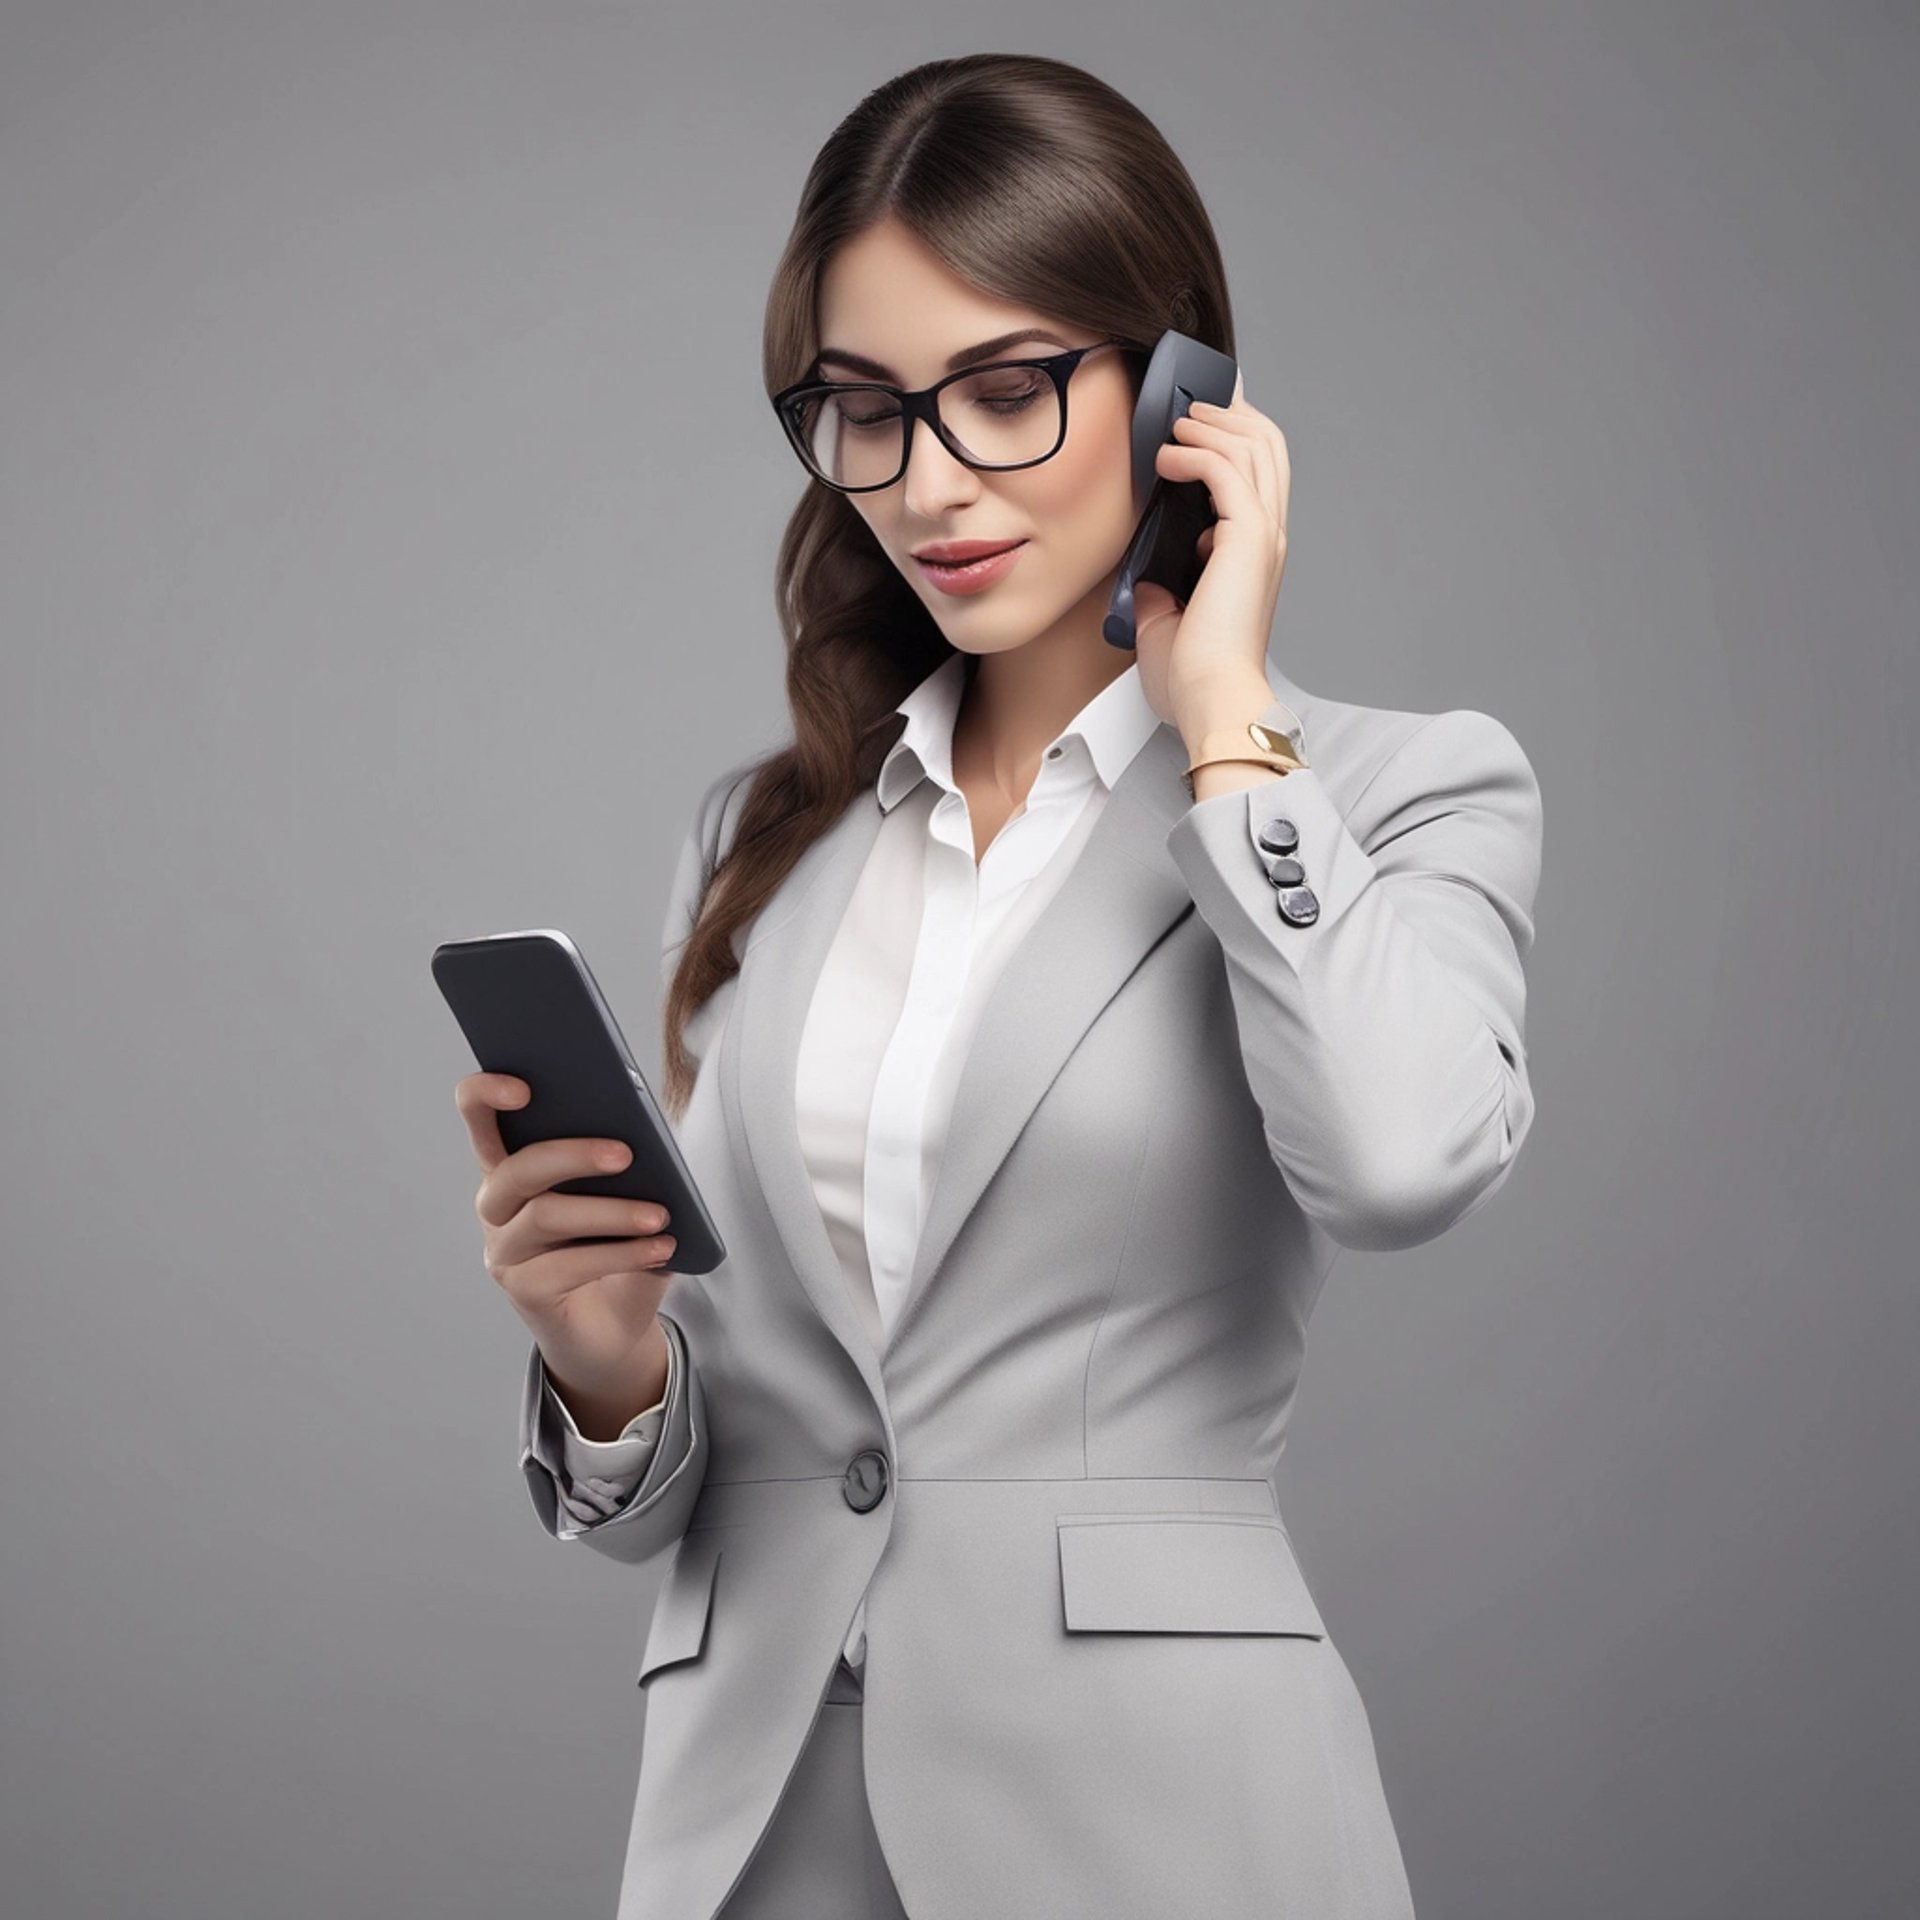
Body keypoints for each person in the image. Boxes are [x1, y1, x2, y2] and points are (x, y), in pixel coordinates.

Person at [455, 52, 1541, 1920]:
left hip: (1159, 1823)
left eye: (1009, 392)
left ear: (1182, 389)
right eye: (864, 411)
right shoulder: (760, 839)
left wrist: (1229, 725)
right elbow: (733, 1464)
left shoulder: (1390, 792)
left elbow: (1400, 1165)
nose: (930, 484)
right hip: (756, 1823)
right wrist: (607, 1364)